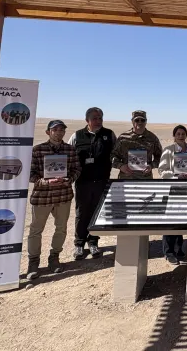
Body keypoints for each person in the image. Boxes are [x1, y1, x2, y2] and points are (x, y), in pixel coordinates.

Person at [27, 120, 81, 280]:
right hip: (42, 197)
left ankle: (54, 257)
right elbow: (30, 174)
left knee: (61, 228)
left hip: (63, 196)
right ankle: (33, 262)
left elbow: (77, 169)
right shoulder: (38, 150)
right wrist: (46, 182)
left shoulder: (70, 150)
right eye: (55, 129)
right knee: (36, 230)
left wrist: (69, 179)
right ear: (48, 132)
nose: (59, 132)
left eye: (61, 130)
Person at [67, 107, 116, 261]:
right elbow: (67, 155)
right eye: (95, 118)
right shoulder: (77, 136)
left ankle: (93, 242)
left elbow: (116, 154)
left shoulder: (109, 134)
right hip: (83, 182)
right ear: (87, 120)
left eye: (100, 118)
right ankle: (79, 243)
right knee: (82, 213)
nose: (98, 121)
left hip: (102, 182)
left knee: (97, 213)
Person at [157, 125, 187, 265]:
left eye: (183, 134)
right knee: (170, 220)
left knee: (182, 218)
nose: (181, 136)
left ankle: (179, 248)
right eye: (178, 134)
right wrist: (176, 175)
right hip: (172, 189)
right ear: (174, 136)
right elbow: (162, 170)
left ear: (186, 135)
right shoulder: (168, 150)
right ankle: (169, 252)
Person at [111, 110, 163, 180]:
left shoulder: (152, 138)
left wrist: (151, 166)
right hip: (126, 178)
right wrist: (121, 166)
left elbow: (161, 157)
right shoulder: (123, 138)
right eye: (137, 120)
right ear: (132, 121)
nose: (140, 122)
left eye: (142, 120)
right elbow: (113, 156)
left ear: (146, 121)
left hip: (145, 179)